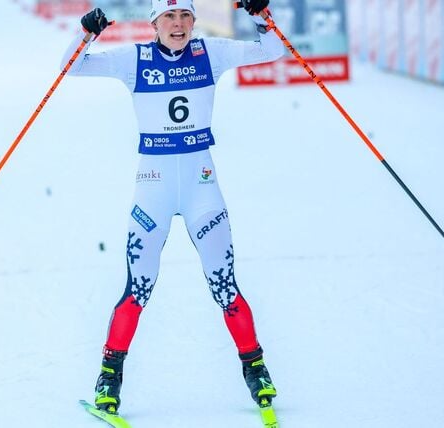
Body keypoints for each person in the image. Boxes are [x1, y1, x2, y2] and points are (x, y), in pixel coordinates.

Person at [64, 0, 284, 416]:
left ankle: (256, 370)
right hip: (154, 192)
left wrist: (260, 17)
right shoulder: (135, 59)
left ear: (194, 21)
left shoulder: (210, 54)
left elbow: (273, 50)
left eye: (185, 15)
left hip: (203, 191)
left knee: (225, 286)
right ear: (155, 23)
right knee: (138, 288)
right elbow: (70, 67)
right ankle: (109, 377)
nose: (178, 24)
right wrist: (86, 32)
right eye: (169, 17)